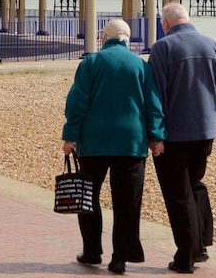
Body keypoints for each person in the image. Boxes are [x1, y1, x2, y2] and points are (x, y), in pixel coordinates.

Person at [61, 18, 166, 275]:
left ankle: (92, 251)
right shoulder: (140, 66)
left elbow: (77, 102)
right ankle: (120, 257)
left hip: (93, 142)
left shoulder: (91, 63)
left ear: (105, 37)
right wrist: (157, 137)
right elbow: (153, 105)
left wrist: (70, 136)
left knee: (88, 197)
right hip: (131, 143)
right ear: (126, 39)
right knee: (126, 202)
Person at [147, 2, 216, 274]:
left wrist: (155, 135)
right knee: (195, 184)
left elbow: (155, 96)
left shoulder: (163, 48)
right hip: (205, 132)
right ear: (188, 18)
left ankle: (186, 257)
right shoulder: (210, 44)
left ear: (165, 24)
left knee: (178, 194)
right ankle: (200, 247)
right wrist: (211, 111)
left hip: (174, 134)